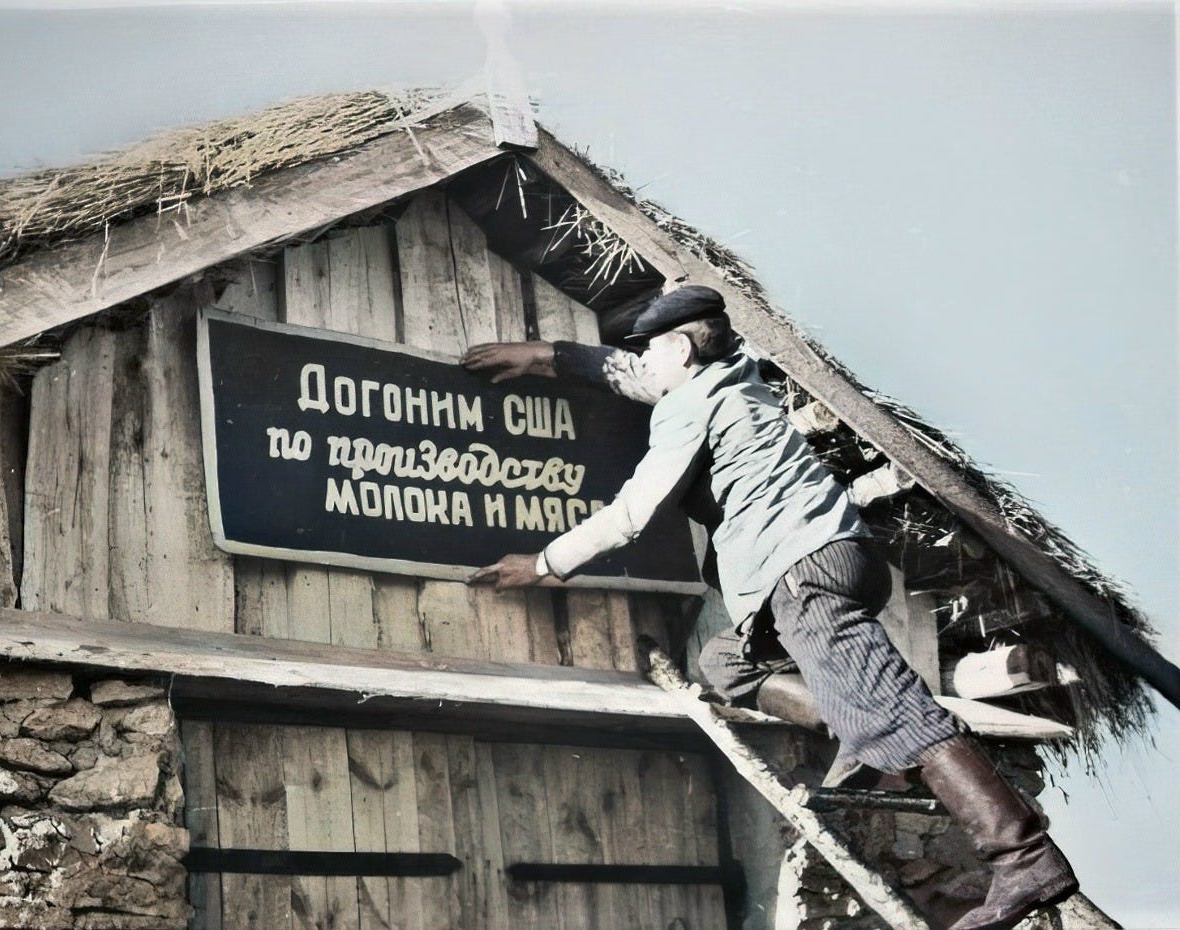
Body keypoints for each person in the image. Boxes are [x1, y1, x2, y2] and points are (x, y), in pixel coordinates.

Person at [462, 285, 1078, 930]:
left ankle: (1022, 855)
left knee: (899, 708)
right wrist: (545, 357)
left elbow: (632, 515)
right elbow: (633, 374)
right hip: (837, 564)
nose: (642, 363)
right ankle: (853, 728)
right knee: (726, 663)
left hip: (800, 574)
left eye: (652, 351)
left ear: (680, 350)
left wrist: (543, 563)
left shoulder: (688, 406)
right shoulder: (736, 381)